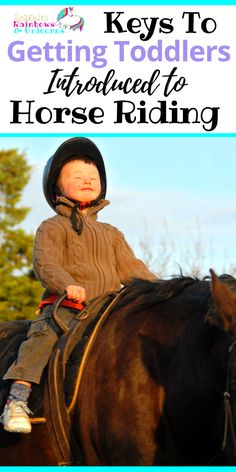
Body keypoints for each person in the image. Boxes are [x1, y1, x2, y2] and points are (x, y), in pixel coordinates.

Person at [1, 137, 157, 433]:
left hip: (107, 311)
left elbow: (132, 270)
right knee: (42, 338)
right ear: (58, 188)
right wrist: (66, 284)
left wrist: (159, 291)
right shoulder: (52, 227)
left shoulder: (112, 233)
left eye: (93, 177)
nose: (87, 180)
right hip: (67, 307)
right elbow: (46, 264)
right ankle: (17, 398)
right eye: (77, 177)